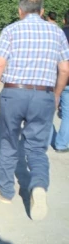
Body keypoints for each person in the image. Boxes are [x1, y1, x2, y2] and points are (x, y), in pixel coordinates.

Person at [0, 0, 69, 221]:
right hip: (43, 95)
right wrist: (56, 95)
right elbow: (64, 70)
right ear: (41, 11)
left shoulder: (12, 30)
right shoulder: (57, 32)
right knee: (37, 148)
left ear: (20, 11)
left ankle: (6, 191)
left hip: (13, 92)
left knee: (10, 142)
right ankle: (39, 185)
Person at [50, 10, 69, 153]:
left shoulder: (57, 34)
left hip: (54, 78)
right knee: (68, 115)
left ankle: (45, 140)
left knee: (49, 110)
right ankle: (61, 144)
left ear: (64, 20)